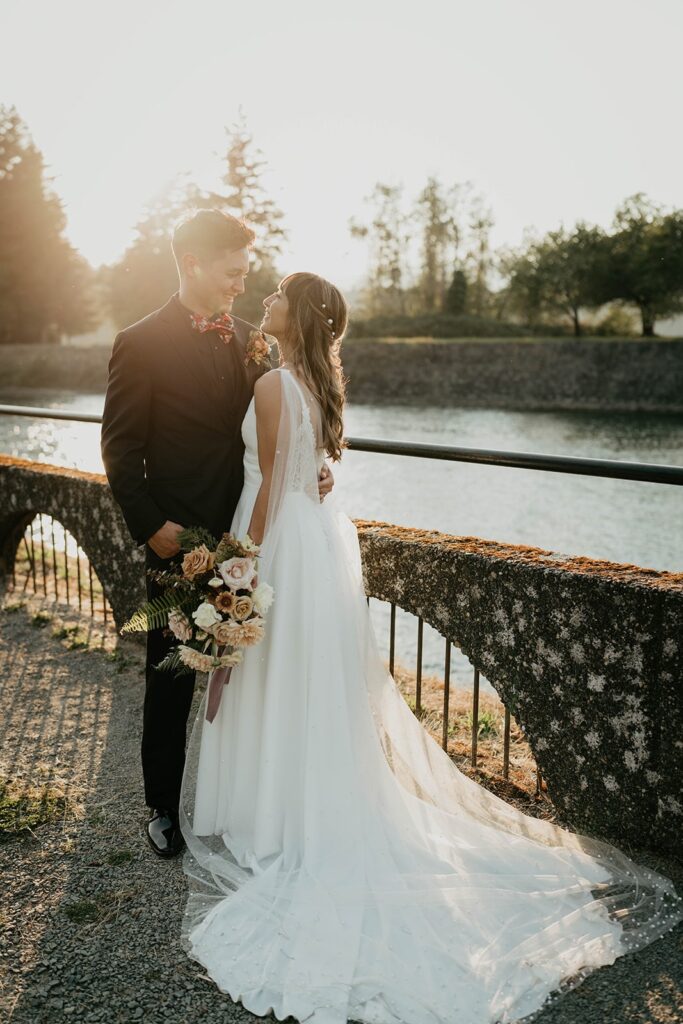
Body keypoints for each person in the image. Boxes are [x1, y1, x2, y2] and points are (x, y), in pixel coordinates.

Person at [179, 272, 682, 1024]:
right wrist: (303, 487)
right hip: (313, 543)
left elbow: (263, 488)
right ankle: (284, 811)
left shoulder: (274, 385)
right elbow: (310, 470)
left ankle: (269, 820)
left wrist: (236, 565)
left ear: (300, 314)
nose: (270, 298)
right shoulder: (308, 383)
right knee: (298, 682)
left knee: (271, 673)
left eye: (281, 291)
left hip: (279, 544)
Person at [100, 212, 334, 858]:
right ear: (193, 263)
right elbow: (121, 452)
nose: (241, 283)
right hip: (181, 539)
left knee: (255, 679)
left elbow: (281, 429)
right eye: (232, 271)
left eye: (246, 272)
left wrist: (306, 477)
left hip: (254, 538)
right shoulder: (139, 342)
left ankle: (255, 806)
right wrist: (153, 529)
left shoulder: (254, 340)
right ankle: (161, 807)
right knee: (172, 677)